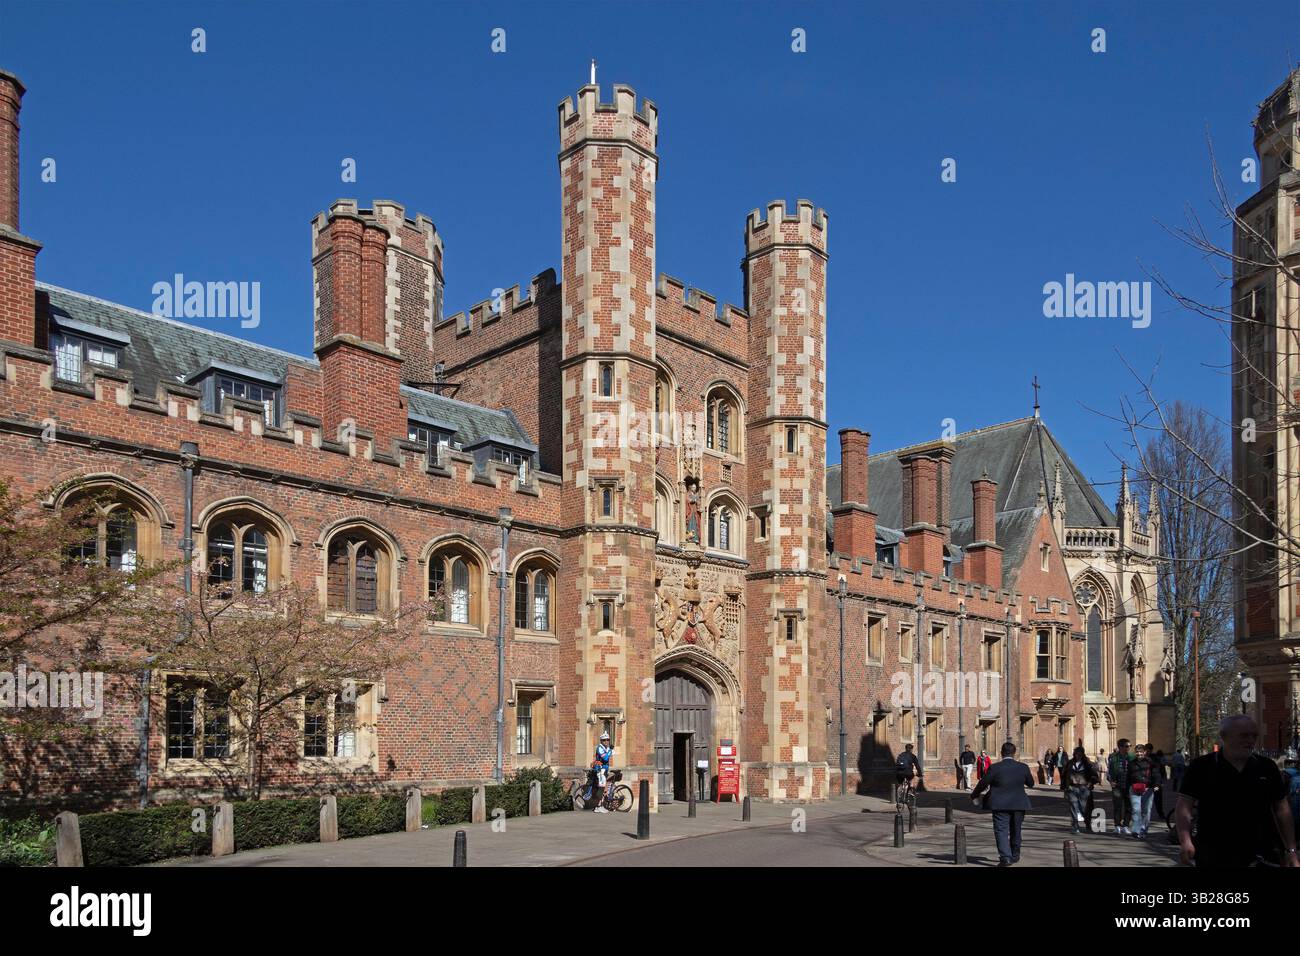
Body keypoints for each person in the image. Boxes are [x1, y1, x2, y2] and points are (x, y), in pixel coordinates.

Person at [1176, 714, 1298, 868]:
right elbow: (1184, 807)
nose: (1250, 740)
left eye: (1254, 736)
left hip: (1262, 853)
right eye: (1244, 735)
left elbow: (1282, 809)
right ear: (1224, 736)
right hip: (1214, 853)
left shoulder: (1266, 767)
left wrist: (1291, 850)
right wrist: (1185, 841)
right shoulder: (1201, 767)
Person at [971, 741, 1036, 866]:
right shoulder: (1023, 767)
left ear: (1001, 753)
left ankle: (1005, 857)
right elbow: (1031, 783)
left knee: (1001, 830)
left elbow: (983, 783)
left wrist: (974, 795)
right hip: (1018, 803)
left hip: (999, 804)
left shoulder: (995, 768)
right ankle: (1015, 855)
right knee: (1016, 829)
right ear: (1014, 753)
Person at [1064, 746, 1099, 833]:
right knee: (1073, 807)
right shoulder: (1070, 763)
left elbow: (1094, 776)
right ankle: (1075, 826)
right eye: (1076, 754)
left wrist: (1090, 783)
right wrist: (1065, 786)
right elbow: (1064, 775)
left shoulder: (1088, 764)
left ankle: (1087, 824)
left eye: (1080, 754)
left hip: (1084, 788)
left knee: (1084, 808)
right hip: (1072, 788)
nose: (1078, 756)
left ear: (1082, 754)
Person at [1128, 743, 1157, 838]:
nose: (1139, 754)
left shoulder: (1150, 763)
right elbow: (1128, 775)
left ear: (1144, 752)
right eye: (1137, 752)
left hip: (1147, 789)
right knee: (1136, 810)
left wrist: (1157, 784)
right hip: (1134, 788)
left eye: (1141, 752)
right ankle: (1136, 830)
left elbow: (1156, 774)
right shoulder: (1131, 763)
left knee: (1146, 810)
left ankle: (1143, 830)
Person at [1107, 739, 1133, 835]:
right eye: (1127, 746)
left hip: (1128, 785)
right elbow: (1109, 771)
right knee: (1117, 806)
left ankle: (1125, 826)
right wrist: (1110, 781)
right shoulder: (1113, 757)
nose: (1129, 748)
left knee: (1128, 806)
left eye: (1130, 746)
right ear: (1120, 747)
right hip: (1117, 785)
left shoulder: (1132, 757)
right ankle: (1117, 826)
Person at [590, 731, 614, 813]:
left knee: (603, 788)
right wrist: (610, 751)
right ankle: (598, 806)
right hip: (600, 770)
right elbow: (605, 758)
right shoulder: (599, 748)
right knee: (601, 788)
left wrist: (609, 750)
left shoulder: (605, 748)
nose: (606, 741)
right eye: (604, 740)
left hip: (605, 770)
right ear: (601, 741)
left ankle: (600, 805)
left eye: (608, 740)